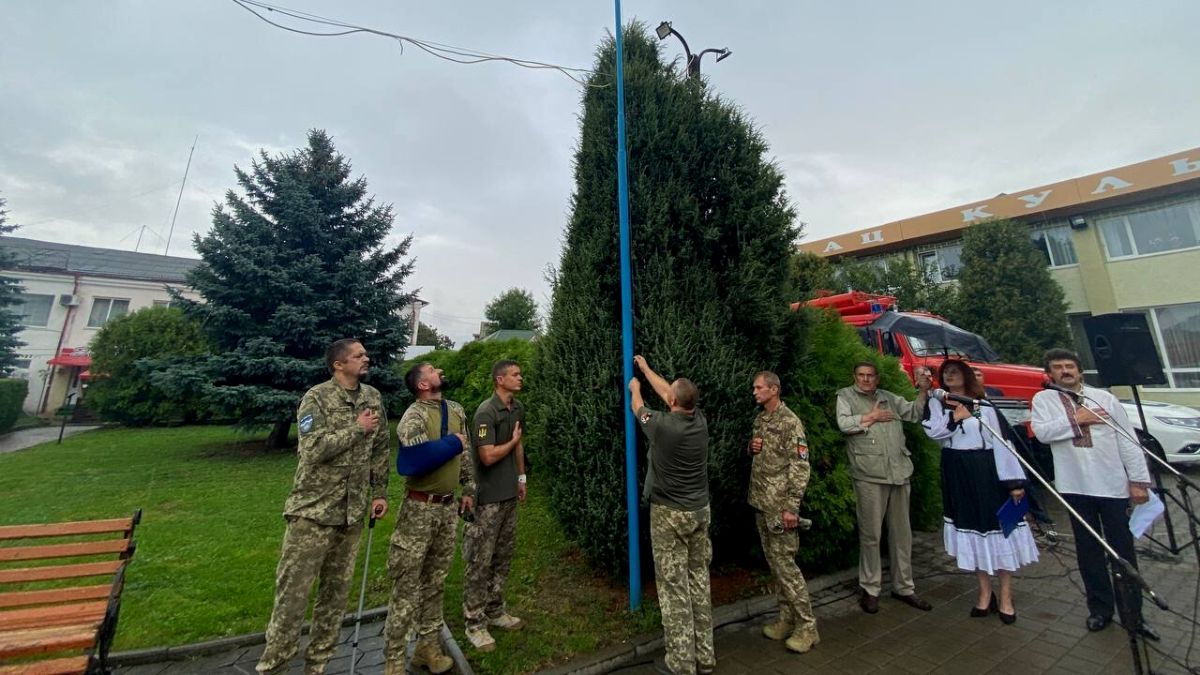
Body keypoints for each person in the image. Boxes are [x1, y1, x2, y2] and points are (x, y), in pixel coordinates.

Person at [256, 339, 390, 675]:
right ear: (338, 364)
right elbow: (313, 449)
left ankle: (317, 665)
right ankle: (274, 665)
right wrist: (356, 429)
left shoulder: (373, 398)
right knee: (293, 596)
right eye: (358, 355)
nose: (366, 358)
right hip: (313, 512)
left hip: (351, 513)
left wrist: (380, 492)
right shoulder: (316, 397)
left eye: (364, 354)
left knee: (335, 596)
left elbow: (381, 447)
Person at [1031, 348, 1158, 640]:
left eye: (1069, 366)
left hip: (1112, 485)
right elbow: (1042, 433)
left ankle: (1134, 615)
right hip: (1074, 487)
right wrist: (1078, 419)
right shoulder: (1044, 400)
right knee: (1088, 553)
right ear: (1049, 374)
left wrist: (1138, 480)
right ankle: (1100, 610)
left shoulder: (1104, 398)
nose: (1065, 371)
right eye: (1058, 367)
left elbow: (1128, 440)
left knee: (1122, 552)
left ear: (1079, 371)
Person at [922, 360, 1038, 623]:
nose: (950, 376)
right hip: (957, 470)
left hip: (986, 469)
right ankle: (985, 593)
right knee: (971, 530)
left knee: (998, 530)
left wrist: (1014, 482)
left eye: (955, 371)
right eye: (946, 373)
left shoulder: (984, 404)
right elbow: (933, 432)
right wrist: (955, 417)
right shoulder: (938, 402)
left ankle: (1006, 594)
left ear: (965, 375)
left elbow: (1002, 442)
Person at [383, 363, 476, 675]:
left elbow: (465, 452)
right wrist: (452, 444)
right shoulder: (414, 415)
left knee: (436, 583)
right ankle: (394, 661)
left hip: (448, 510)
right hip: (419, 510)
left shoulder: (456, 409)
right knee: (407, 585)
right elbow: (415, 461)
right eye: (433, 369)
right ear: (423, 383)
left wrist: (469, 487)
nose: (440, 370)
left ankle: (428, 649)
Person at [630, 355, 714, 675]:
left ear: (670, 402)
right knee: (698, 582)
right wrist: (648, 370)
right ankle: (704, 657)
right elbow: (671, 392)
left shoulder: (663, 427)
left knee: (674, 587)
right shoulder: (699, 420)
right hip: (699, 512)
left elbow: (638, 407)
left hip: (670, 515)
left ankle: (680, 663)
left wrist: (635, 385)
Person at [836, 361, 933, 614]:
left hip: (899, 473)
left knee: (902, 534)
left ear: (877, 379)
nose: (866, 379)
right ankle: (870, 589)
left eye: (870, 376)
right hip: (869, 475)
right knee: (871, 536)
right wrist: (871, 417)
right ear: (854, 376)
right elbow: (844, 424)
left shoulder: (889, 398)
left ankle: (904, 588)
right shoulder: (845, 396)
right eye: (861, 375)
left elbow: (914, 413)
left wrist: (923, 391)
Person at [747, 371, 818, 653]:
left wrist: (792, 506)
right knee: (776, 567)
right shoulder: (761, 419)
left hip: (780, 508)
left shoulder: (790, 422)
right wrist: (751, 448)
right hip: (762, 503)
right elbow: (764, 455)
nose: (755, 392)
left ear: (774, 389)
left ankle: (808, 627)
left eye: (759, 387)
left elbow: (800, 466)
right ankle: (786, 619)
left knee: (787, 568)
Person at [462, 360, 528, 651]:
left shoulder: (517, 408)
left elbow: (519, 444)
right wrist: (512, 442)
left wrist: (522, 477)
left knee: (502, 556)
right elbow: (487, 457)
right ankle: (474, 623)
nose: (520, 378)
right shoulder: (485, 412)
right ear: (499, 380)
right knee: (480, 561)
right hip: (487, 499)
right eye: (514, 375)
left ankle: (496, 611)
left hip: (509, 495)